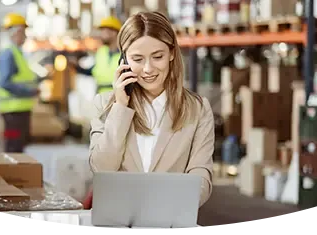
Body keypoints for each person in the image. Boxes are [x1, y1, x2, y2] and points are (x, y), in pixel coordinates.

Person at [88, 11, 215, 208]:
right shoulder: (104, 106)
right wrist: (121, 106)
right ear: (124, 60)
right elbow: (102, 168)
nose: (148, 69)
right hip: (119, 224)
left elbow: (201, 175)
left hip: (171, 222)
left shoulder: (197, 109)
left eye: (157, 57)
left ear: (172, 53)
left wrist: (169, 207)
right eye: (137, 59)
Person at [0, 13, 44, 153]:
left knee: (19, 145)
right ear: (15, 32)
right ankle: (12, 174)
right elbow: (5, 82)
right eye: (23, 32)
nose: (25, 36)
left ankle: (15, 173)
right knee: (13, 146)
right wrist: (29, 92)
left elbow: (22, 78)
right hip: (13, 112)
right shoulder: (9, 54)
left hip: (19, 110)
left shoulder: (18, 53)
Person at [74, 16, 122, 93]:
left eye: (104, 31)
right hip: (101, 95)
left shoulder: (125, 54)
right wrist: (76, 67)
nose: (101, 34)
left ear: (114, 32)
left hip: (119, 95)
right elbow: (94, 71)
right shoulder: (101, 51)